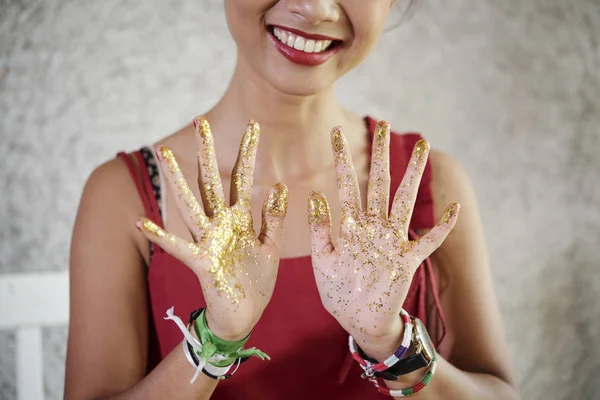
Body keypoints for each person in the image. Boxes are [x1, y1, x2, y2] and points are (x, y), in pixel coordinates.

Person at [64, 1, 520, 399]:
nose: (316, 8)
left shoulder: (430, 182)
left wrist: (391, 344)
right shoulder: (123, 194)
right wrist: (215, 340)